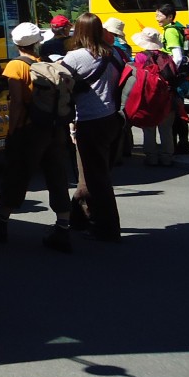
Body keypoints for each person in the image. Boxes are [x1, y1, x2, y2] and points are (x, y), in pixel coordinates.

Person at [0, 21, 74, 253]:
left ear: (17, 43)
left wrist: (12, 131)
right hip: (54, 127)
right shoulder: (47, 63)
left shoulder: (16, 66)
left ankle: (0, 222)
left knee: (17, 174)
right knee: (57, 175)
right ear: (37, 42)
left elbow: (18, 103)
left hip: (30, 130)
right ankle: (63, 227)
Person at [63, 12, 124, 242]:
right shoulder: (114, 53)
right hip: (113, 119)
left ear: (78, 31)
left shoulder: (75, 57)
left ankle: (108, 228)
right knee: (90, 174)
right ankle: (78, 219)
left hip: (89, 121)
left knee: (96, 177)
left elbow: (60, 83)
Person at [129, 28, 177, 167]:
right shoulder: (167, 57)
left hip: (148, 98)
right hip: (167, 98)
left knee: (149, 128)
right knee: (166, 129)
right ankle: (167, 158)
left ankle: (152, 158)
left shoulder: (140, 57)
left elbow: (137, 77)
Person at [155, 3, 189, 157]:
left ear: (170, 17)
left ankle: (180, 144)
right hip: (182, 76)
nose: (157, 18)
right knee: (178, 110)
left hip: (177, 78)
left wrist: (170, 75)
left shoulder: (170, 31)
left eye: (159, 15)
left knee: (175, 111)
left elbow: (177, 56)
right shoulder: (176, 28)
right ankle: (182, 143)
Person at [105, 18, 133, 163]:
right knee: (124, 119)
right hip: (124, 84)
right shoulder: (125, 46)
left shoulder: (111, 46)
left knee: (116, 120)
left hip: (113, 85)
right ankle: (127, 148)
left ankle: (117, 154)